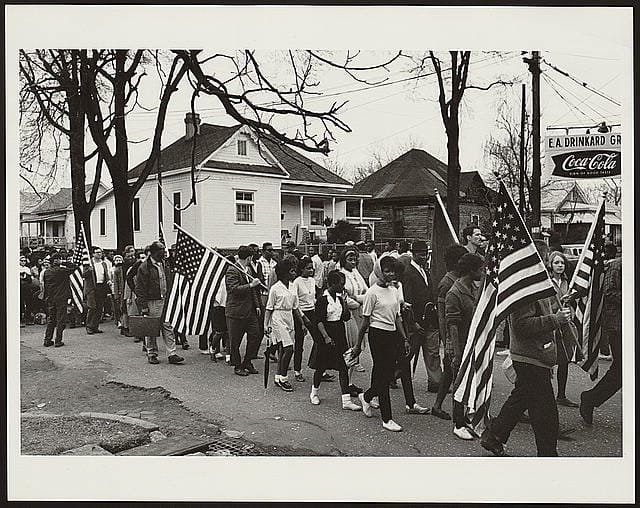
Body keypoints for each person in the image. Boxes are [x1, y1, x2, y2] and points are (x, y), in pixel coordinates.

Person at [481, 240, 572, 457]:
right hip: (530, 357)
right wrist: (555, 319)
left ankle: (494, 435)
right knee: (545, 413)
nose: (548, 263)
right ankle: (547, 455)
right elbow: (522, 325)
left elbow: (542, 311)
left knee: (521, 398)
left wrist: (559, 303)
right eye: (545, 258)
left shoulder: (538, 285)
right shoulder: (525, 289)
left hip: (536, 354)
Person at [353, 256, 410, 432]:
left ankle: (367, 395)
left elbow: (397, 317)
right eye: (386, 270)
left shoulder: (394, 290)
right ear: (379, 271)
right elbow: (365, 321)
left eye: (392, 270)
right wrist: (357, 345)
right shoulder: (372, 293)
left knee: (386, 373)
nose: (390, 273)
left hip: (392, 334)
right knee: (384, 376)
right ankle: (387, 418)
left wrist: (405, 338)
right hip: (377, 335)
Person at [579, 253, 621, 425]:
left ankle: (591, 399)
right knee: (621, 371)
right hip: (619, 325)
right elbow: (609, 292)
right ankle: (590, 399)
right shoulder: (618, 265)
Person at [310, 270, 361, 410]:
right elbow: (319, 320)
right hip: (327, 333)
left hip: (339, 333)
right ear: (332, 283)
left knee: (344, 366)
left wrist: (344, 302)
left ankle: (346, 400)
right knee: (321, 366)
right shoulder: (322, 299)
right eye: (340, 284)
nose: (342, 287)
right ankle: (314, 392)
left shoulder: (339, 299)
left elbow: (345, 317)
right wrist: (326, 337)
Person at [445, 253, 484, 440]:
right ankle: (458, 423)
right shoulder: (455, 292)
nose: (482, 272)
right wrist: (456, 353)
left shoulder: (471, 288)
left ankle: (467, 418)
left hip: (471, 341)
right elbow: (451, 323)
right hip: (459, 343)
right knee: (458, 381)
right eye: (480, 269)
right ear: (471, 270)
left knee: (470, 381)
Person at [431, 244, 469, 420]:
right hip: (452, 334)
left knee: (448, 371)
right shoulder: (447, 282)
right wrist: (446, 339)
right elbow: (442, 315)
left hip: (462, 331)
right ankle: (459, 414)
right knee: (454, 371)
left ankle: (437, 405)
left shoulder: (461, 278)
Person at [400, 240, 442, 393]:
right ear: (413, 254)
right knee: (410, 351)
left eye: (425, 254)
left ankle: (436, 381)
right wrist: (412, 323)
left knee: (432, 351)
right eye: (420, 254)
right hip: (416, 320)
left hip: (429, 317)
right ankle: (393, 374)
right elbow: (407, 300)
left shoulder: (426, 271)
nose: (423, 257)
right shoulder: (408, 272)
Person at [264, 258, 310, 392]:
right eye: (292, 271)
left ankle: (278, 376)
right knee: (289, 348)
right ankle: (284, 378)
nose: (294, 273)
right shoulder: (275, 288)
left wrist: (303, 323)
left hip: (289, 317)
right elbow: (269, 308)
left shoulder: (293, 286)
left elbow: (296, 307)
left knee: (283, 349)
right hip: (278, 318)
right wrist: (265, 325)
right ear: (284, 272)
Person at [136, 241, 184, 365]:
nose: (164, 252)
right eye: (161, 250)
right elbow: (140, 288)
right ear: (154, 252)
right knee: (151, 328)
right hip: (152, 301)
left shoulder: (164, 263)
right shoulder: (145, 267)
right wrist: (144, 306)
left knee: (168, 326)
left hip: (165, 299)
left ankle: (172, 353)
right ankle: (151, 353)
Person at [547, 251, 579, 408]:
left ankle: (561, 395)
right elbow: (546, 307)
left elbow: (573, 305)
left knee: (564, 361)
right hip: (550, 326)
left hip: (565, 326)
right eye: (556, 263)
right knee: (547, 362)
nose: (560, 266)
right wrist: (559, 301)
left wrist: (571, 301)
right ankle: (544, 396)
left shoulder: (568, 282)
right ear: (550, 265)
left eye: (562, 263)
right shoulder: (547, 282)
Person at [225, 245, 262, 376]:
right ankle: (237, 365)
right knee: (235, 341)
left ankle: (247, 361)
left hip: (250, 310)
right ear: (249, 257)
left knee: (255, 335)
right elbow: (233, 289)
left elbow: (253, 292)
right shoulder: (232, 270)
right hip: (236, 311)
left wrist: (257, 305)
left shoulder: (248, 270)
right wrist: (251, 285)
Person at [339, 247, 369, 380]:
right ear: (343, 261)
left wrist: (362, 299)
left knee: (359, 339)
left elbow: (366, 290)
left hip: (360, 312)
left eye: (355, 259)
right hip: (349, 313)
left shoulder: (356, 273)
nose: (353, 262)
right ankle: (347, 379)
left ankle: (354, 364)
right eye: (349, 259)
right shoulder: (341, 274)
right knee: (351, 341)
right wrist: (359, 301)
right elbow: (343, 296)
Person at [42, 254, 78, 347]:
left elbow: (46, 286)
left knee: (51, 320)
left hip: (51, 298)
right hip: (61, 298)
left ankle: (47, 340)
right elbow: (74, 266)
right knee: (60, 320)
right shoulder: (62, 271)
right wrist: (63, 262)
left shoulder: (47, 272)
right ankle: (58, 340)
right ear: (57, 261)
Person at [291, 256, 318, 382]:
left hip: (312, 312)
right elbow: (295, 303)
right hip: (300, 314)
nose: (311, 270)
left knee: (319, 340)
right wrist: (303, 320)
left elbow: (313, 298)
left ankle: (319, 368)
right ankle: (297, 371)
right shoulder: (296, 282)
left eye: (312, 268)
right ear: (301, 269)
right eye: (308, 268)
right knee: (299, 343)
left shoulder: (312, 281)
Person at [84, 246, 113, 334]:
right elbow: (83, 275)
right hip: (92, 287)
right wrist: (89, 271)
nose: (99, 254)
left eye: (100, 252)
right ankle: (89, 326)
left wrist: (108, 280)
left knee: (100, 308)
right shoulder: (88, 263)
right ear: (93, 254)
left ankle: (95, 326)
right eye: (97, 252)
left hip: (102, 286)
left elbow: (106, 273)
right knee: (92, 307)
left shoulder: (103, 263)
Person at [120, 245, 136, 336]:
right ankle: (125, 327)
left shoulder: (134, 263)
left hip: (129, 286)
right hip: (125, 288)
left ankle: (125, 326)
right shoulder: (124, 265)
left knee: (129, 309)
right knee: (125, 309)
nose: (132, 256)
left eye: (133, 252)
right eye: (129, 254)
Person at [20, 255, 34, 326]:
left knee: (29, 303)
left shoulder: (27, 269)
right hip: (20, 288)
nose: (23, 262)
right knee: (20, 303)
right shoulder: (17, 268)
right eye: (21, 261)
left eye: (24, 261)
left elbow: (30, 279)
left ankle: (28, 318)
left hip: (27, 288)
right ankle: (20, 320)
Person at [111, 255, 124, 330]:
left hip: (121, 289)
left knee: (121, 305)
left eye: (120, 260)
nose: (118, 261)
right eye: (117, 260)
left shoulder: (122, 269)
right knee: (116, 306)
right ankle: (118, 320)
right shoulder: (112, 269)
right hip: (114, 288)